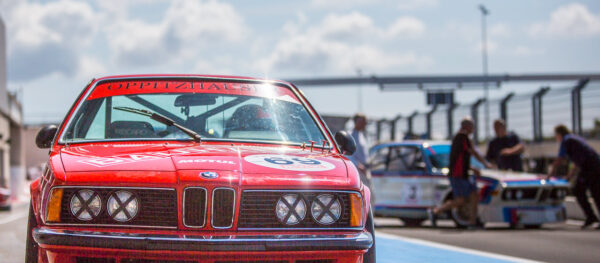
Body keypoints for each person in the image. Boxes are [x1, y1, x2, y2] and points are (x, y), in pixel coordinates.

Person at [428, 117, 492, 228]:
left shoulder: (462, 138)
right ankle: (436, 211)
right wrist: (486, 164)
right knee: (460, 200)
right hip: (457, 175)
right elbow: (473, 153)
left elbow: (462, 159)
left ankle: (472, 222)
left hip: (464, 174)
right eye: (472, 126)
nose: (474, 129)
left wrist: (472, 168)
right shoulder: (462, 137)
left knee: (474, 196)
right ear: (466, 126)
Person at [548, 125, 600, 229]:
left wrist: (549, 175)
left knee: (580, 191)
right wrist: (568, 176)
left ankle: (591, 217)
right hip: (593, 165)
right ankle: (591, 217)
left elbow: (560, 159)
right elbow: (576, 163)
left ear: (559, 134)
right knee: (594, 192)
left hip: (590, 167)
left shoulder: (566, 140)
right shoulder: (574, 138)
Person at [349, 113, 371, 187]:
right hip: (358, 169)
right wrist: (358, 165)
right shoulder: (351, 136)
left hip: (364, 169)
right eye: (362, 122)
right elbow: (348, 154)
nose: (364, 124)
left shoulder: (361, 135)